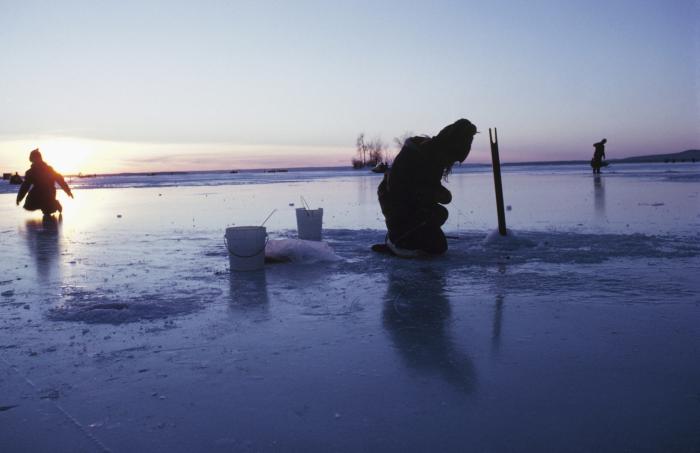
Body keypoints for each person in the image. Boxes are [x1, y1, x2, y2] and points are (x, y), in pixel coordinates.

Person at [376, 118, 478, 257]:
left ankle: (404, 237)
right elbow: (399, 191)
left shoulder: (434, 158)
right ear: (447, 148)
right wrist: (431, 194)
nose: (451, 162)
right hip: (395, 206)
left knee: (440, 216)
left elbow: (429, 186)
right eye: (452, 157)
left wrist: (441, 194)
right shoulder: (415, 157)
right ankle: (397, 237)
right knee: (436, 244)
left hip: (411, 207)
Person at [16, 148, 73, 216]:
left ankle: (54, 204)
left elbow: (59, 179)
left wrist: (68, 191)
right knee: (28, 205)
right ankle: (49, 205)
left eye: (37, 158)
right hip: (37, 193)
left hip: (49, 193)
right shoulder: (30, 172)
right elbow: (25, 186)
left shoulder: (49, 169)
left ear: (39, 158)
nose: (36, 160)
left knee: (48, 211)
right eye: (34, 159)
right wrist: (19, 198)